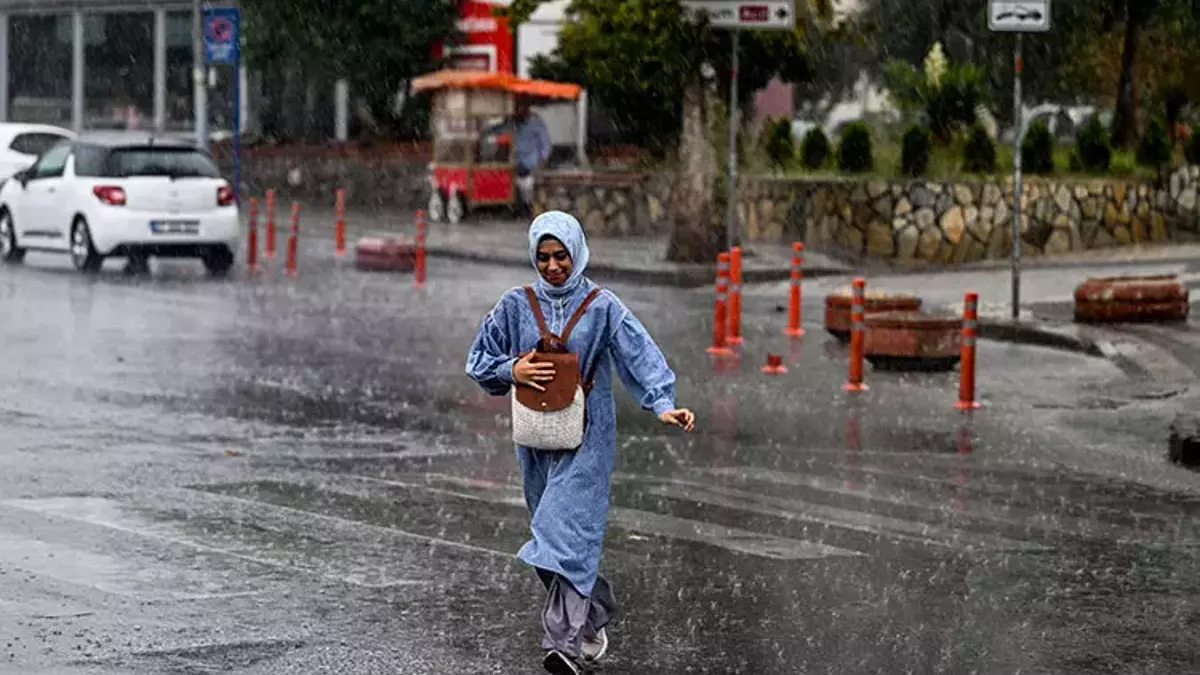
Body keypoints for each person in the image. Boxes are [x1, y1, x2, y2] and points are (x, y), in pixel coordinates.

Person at [465, 211, 696, 675]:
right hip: (534, 439)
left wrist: (662, 403)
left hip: (588, 437)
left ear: (577, 252)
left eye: (562, 256)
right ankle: (593, 609)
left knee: (561, 533)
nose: (553, 266)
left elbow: (640, 354)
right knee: (549, 539)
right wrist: (514, 370)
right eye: (544, 257)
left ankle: (562, 645)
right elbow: (478, 361)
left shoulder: (602, 306)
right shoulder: (514, 305)